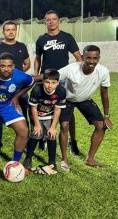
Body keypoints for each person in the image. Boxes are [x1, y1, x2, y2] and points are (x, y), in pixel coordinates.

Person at [34, 10, 83, 155]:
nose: (51, 22)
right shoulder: (41, 39)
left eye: (54, 19)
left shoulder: (67, 38)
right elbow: (37, 58)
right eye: (48, 19)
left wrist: (77, 75)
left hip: (62, 80)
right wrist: (37, 75)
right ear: (45, 22)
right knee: (43, 109)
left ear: (58, 21)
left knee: (68, 112)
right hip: (46, 79)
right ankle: (42, 138)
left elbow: (78, 58)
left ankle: (72, 141)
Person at [58, 45, 112, 170]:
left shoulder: (103, 71)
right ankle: (64, 160)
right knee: (64, 125)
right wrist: (28, 78)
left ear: (99, 58)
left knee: (101, 126)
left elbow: (104, 94)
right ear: (83, 57)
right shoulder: (72, 68)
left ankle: (90, 159)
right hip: (67, 99)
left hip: (85, 100)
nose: (91, 62)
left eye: (95, 58)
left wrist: (106, 116)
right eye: (88, 58)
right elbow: (53, 76)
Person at [0, 20, 31, 155]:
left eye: (13, 29)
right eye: (8, 29)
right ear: (3, 32)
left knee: (22, 114)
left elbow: (27, 64)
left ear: (16, 31)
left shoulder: (22, 46)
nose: (10, 32)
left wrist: (17, 74)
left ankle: (24, 143)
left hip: (18, 89)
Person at [23, 69, 66, 173]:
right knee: (36, 134)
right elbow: (33, 108)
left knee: (51, 135)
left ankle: (52, 162)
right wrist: (37, 125)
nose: (50, 86)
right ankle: (28, 159)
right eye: (47, 82)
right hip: (36, 115)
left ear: (58, 82)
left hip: (50, 116)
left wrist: (53, 127)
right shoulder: (37, 89)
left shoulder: (61, 90)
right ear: (42, 81)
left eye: (53, 83)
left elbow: (57, 109)